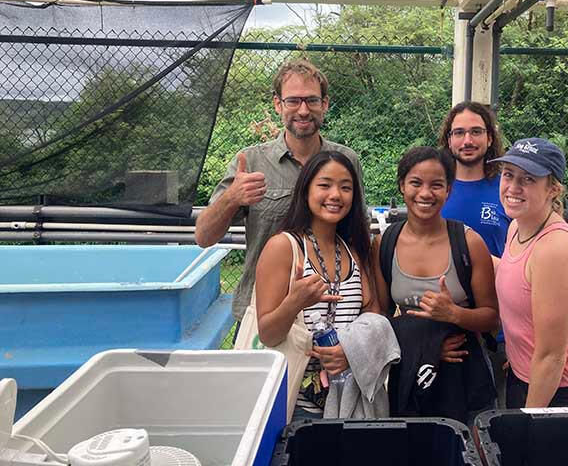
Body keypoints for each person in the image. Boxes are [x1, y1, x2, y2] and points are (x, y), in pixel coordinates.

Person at [195, 59, 364, 328]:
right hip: (262, 311)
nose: (304, 110)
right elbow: (204, 236)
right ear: (278, 104)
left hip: (334, 310)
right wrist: (231, 198)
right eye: (293, 101)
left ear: (325, 104)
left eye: (312, 100)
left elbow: (358, 235)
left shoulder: (346, 161)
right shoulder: (251, 162)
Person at [371, 146, 498, 423]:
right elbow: (379, 318)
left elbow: (492, 318)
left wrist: (454, 314)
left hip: (464, 376)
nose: (425, 194)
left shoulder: (468, 243)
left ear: (448, 190)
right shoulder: (384, 244)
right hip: (408, 375)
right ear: (402, 186)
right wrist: (426, 349)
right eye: (416, 183)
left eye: (436, 185)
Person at [255, 150, 377, 419]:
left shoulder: (355, 250)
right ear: (305, 190)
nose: (335, 195)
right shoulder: (283, 247)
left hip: (347, 399)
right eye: (324, 185)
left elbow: (373, 315)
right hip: (295, 403)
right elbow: (268, 334)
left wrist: (350, 351)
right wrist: (294, 301)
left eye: (346, 188)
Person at [490, 137, 568, 408]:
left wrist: (530, 422)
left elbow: (552, 357)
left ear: (553, 189)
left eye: (528, 179)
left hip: (563, 391)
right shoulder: (517, 227)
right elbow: (515, 278)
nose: (513, 187)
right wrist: (460, 245)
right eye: (508, 175)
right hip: (525, 376)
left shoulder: (553, 249)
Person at [438, 101, 510, 258]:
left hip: (494, 282)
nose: (467, 141)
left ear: (489, 138)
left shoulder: (508, 190)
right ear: (449, 141)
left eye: (476, 132)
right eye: (459, 133)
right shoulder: (433, 190)